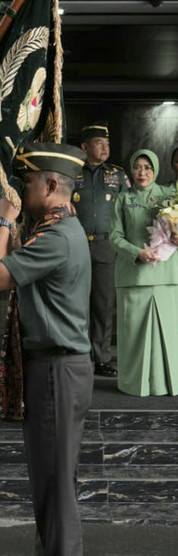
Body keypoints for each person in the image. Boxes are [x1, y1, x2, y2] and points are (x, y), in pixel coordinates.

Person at [0, 142, 93, 556]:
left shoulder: (58, 237)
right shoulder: (54, 228)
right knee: (49, 485)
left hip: (56, 370)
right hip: (52, 368)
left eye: (27, 184)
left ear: (52, 186)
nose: (20, 192)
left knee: (56, 488)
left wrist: (3, 220)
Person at [109, 149, 178, 396]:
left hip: (167, 276)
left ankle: (167, 384)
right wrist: (137, 253)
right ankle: (133, 384)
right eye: (137, 167)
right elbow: (114, 237)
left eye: (147, 167)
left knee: (168, 335)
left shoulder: (169, 195)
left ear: (156, 169)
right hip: (133, 275)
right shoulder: (123, 199)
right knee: (133, 337)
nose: (142, 172)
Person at [72, 124, 129, 377]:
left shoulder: (117, 175)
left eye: (106, 143)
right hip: (77, 245)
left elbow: (130, 209)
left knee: (104, 306)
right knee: (76, 303)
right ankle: (78, 355)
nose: (105, 147)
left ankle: (102, 358)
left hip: (107, 246)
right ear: (84, 147)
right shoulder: (71, 171)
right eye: (98, 143)